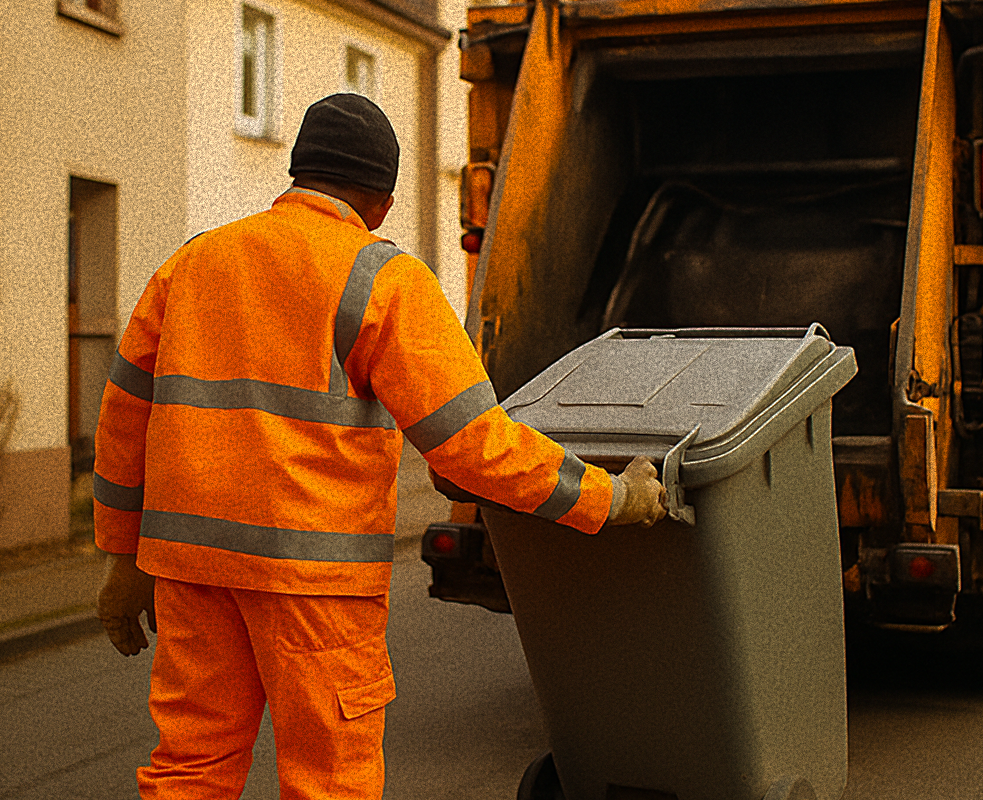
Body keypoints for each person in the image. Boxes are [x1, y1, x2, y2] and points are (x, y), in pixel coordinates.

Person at [93, 93, 666, 800]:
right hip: (316, 590)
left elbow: (125, 418)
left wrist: (124, 559)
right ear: (384, 201)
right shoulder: (384, 278)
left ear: (296, 173)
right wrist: (611, 498)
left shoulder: (192, 264)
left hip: (193, 573)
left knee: (190, 769)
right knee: (329, 782)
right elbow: (470, 446)